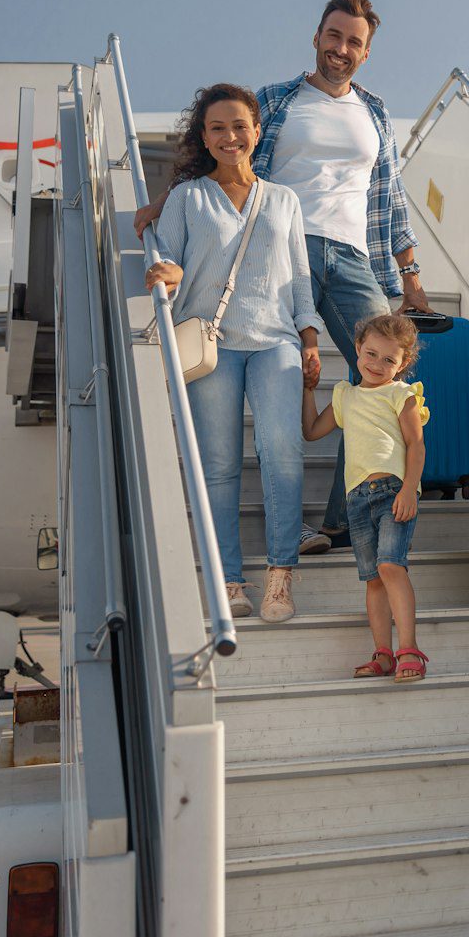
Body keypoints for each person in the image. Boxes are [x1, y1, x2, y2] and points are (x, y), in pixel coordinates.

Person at [137, 0, 430, 556]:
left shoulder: (376, 115)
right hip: (275, 253)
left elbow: (390, 196)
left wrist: (409, 272)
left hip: (350, 256)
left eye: (353, 42)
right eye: (333, 35)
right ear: (317, 36)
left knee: (389, 384)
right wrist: (167, 200)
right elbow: (226, 153)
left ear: (366, 53)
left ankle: (346, 517)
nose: (340, 48)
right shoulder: (275, 99)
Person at [145, 83, 323, 625]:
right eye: (217, 127)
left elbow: (298, 280)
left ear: (256, 131)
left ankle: (279, 577)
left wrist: (310, 337)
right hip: (211, 345)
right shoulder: (186, 197)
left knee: (283, 455)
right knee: (219, 469)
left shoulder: (284, 200)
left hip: (276, 343)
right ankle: (229, 580)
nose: (230, 136)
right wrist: (168, 273)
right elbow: (169, 260)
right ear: (204, 136)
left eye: (239, 126)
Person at [303, 313, 431, 682]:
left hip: (393, 493)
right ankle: (383, 653)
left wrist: (410, 488)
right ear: (358, 348)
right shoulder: (346, 396)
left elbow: (416, 445)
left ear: (402, 364)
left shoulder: (401, 394)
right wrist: (308, 389)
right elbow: (311, 431)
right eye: (371, 354)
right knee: (373, 578)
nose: (377, 364)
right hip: (356, 499)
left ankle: (409, 649)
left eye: (389, 360)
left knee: (392, 566)